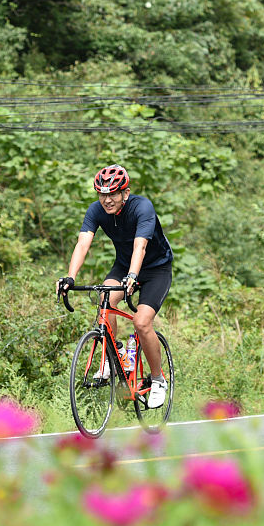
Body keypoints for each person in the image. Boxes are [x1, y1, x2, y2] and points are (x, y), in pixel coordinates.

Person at [57, 165, 172, 409]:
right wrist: (70, 277)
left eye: (113, 194)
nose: (107, 200)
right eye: (102, 194)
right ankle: (116, 353)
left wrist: (133, 276)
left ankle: (158, 380)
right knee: (104, 302)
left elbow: (140, 246)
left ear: (125, 193)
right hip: (123, 266)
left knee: (141, 322)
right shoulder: (96, 210)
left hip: (155, 269)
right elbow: (83, 244)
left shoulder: (142, 208)